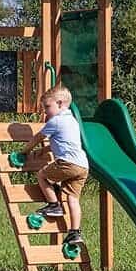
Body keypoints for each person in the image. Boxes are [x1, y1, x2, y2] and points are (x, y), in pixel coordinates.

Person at [19, 85, 88, 246]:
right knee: (72, 198)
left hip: (68, 163)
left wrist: (24, 151)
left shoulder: (56, 121)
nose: (45, 112)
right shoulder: (72, 120)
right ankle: (75, 232)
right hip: (83, 166)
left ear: (60, 103)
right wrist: (45, 149)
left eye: (47, 107)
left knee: (42, 175)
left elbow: (37, 137)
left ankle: (53, 204)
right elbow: (64, 142)